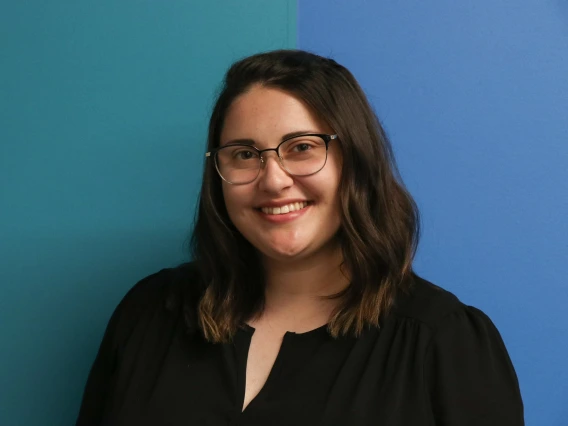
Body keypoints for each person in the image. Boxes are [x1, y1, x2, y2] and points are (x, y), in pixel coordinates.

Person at [75, 49, 524, 425]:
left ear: (356, 161)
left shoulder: (443, 342)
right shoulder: (150, 313)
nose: (273, 180)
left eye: (302, 147)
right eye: (245, 154)